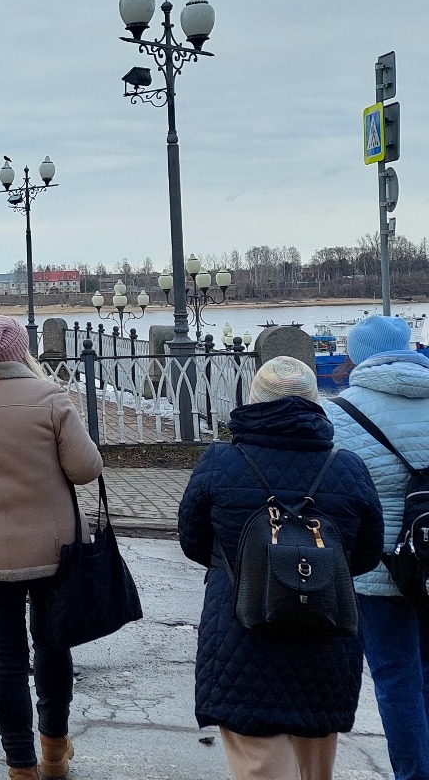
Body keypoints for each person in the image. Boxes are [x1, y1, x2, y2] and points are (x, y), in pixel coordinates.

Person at [179, 356, 384, 780]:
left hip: (240, 636)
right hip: (325, 638)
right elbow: (365, 555)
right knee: (315, 767)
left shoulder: (220, 463)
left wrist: (242, 569)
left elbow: (192, 539)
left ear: (254, 402)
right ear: (315, 404)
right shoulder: (348, 468)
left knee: (260, 766)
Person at [0, 315, 103, 780]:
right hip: (55, 550)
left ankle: (20, 768)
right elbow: (86, 469)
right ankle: (54, 753)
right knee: (51, 646)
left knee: (6, 657)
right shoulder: (51, 398)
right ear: (20, 353)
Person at [323, 315, 429, 780]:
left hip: (380, 565)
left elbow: (330, 493)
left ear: (357, 353)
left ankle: (413, 773)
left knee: (395, 675)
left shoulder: (340, 412)